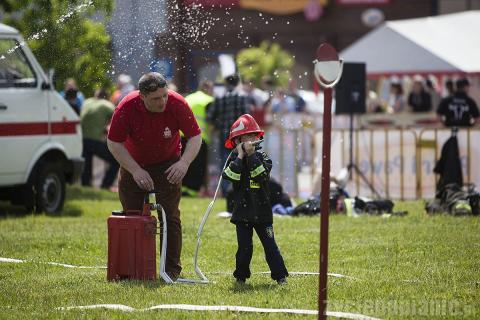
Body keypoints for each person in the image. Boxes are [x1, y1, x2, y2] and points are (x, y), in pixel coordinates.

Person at [107, 72, 202, 281]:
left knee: (170, 217)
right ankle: (132, 270)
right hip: (133, 165)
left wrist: (184, 163)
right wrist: (135, 170)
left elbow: (195, 136)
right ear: (142, 96)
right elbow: (114, 143)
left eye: (164, 96)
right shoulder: (126, 107)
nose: (162, 102)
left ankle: (170, 271)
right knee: (131, 216)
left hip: (169, 164)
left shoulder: (177, 103)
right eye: (156, 99)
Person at [222, 114, 289, 285]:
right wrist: (239, 157)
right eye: (247, 136)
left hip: (263, 212)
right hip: (242, 213)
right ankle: (241, 277)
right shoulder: (234, 159)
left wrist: (251, 156)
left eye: (254, 135)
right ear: (237, 141)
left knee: (270, 246)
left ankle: (280, 276)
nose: (252, 139)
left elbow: (261, 175)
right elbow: (230, 177)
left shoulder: (263, 157)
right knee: (244, 248)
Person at [207, 73, 249, 196]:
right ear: (237, 83)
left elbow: (210, 116)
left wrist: (218, 124)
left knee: (225, 162)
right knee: (241, 160)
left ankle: (226, 190)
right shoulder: (242, 96)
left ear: (226, 83)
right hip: (240, 136)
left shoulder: (220, 97)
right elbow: (246, 116)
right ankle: (238, 188)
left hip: (224, 135)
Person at [80, 88, 119, 190]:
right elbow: (118, 118)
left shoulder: (87, 102)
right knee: (116, 161)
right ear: (106, 97)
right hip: (95, 140)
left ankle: (85, 185)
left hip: (81, 139)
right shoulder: (107, 105)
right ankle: (105, 185)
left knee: (87, 162)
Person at [182, 80, 214, 196]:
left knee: (184, 163)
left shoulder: (188, 98)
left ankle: (183, 188)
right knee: (198, 166)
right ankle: (192, 190)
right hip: (199, 137)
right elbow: (211, 122)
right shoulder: (208, 100)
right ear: (207, 89)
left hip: (182, 136)